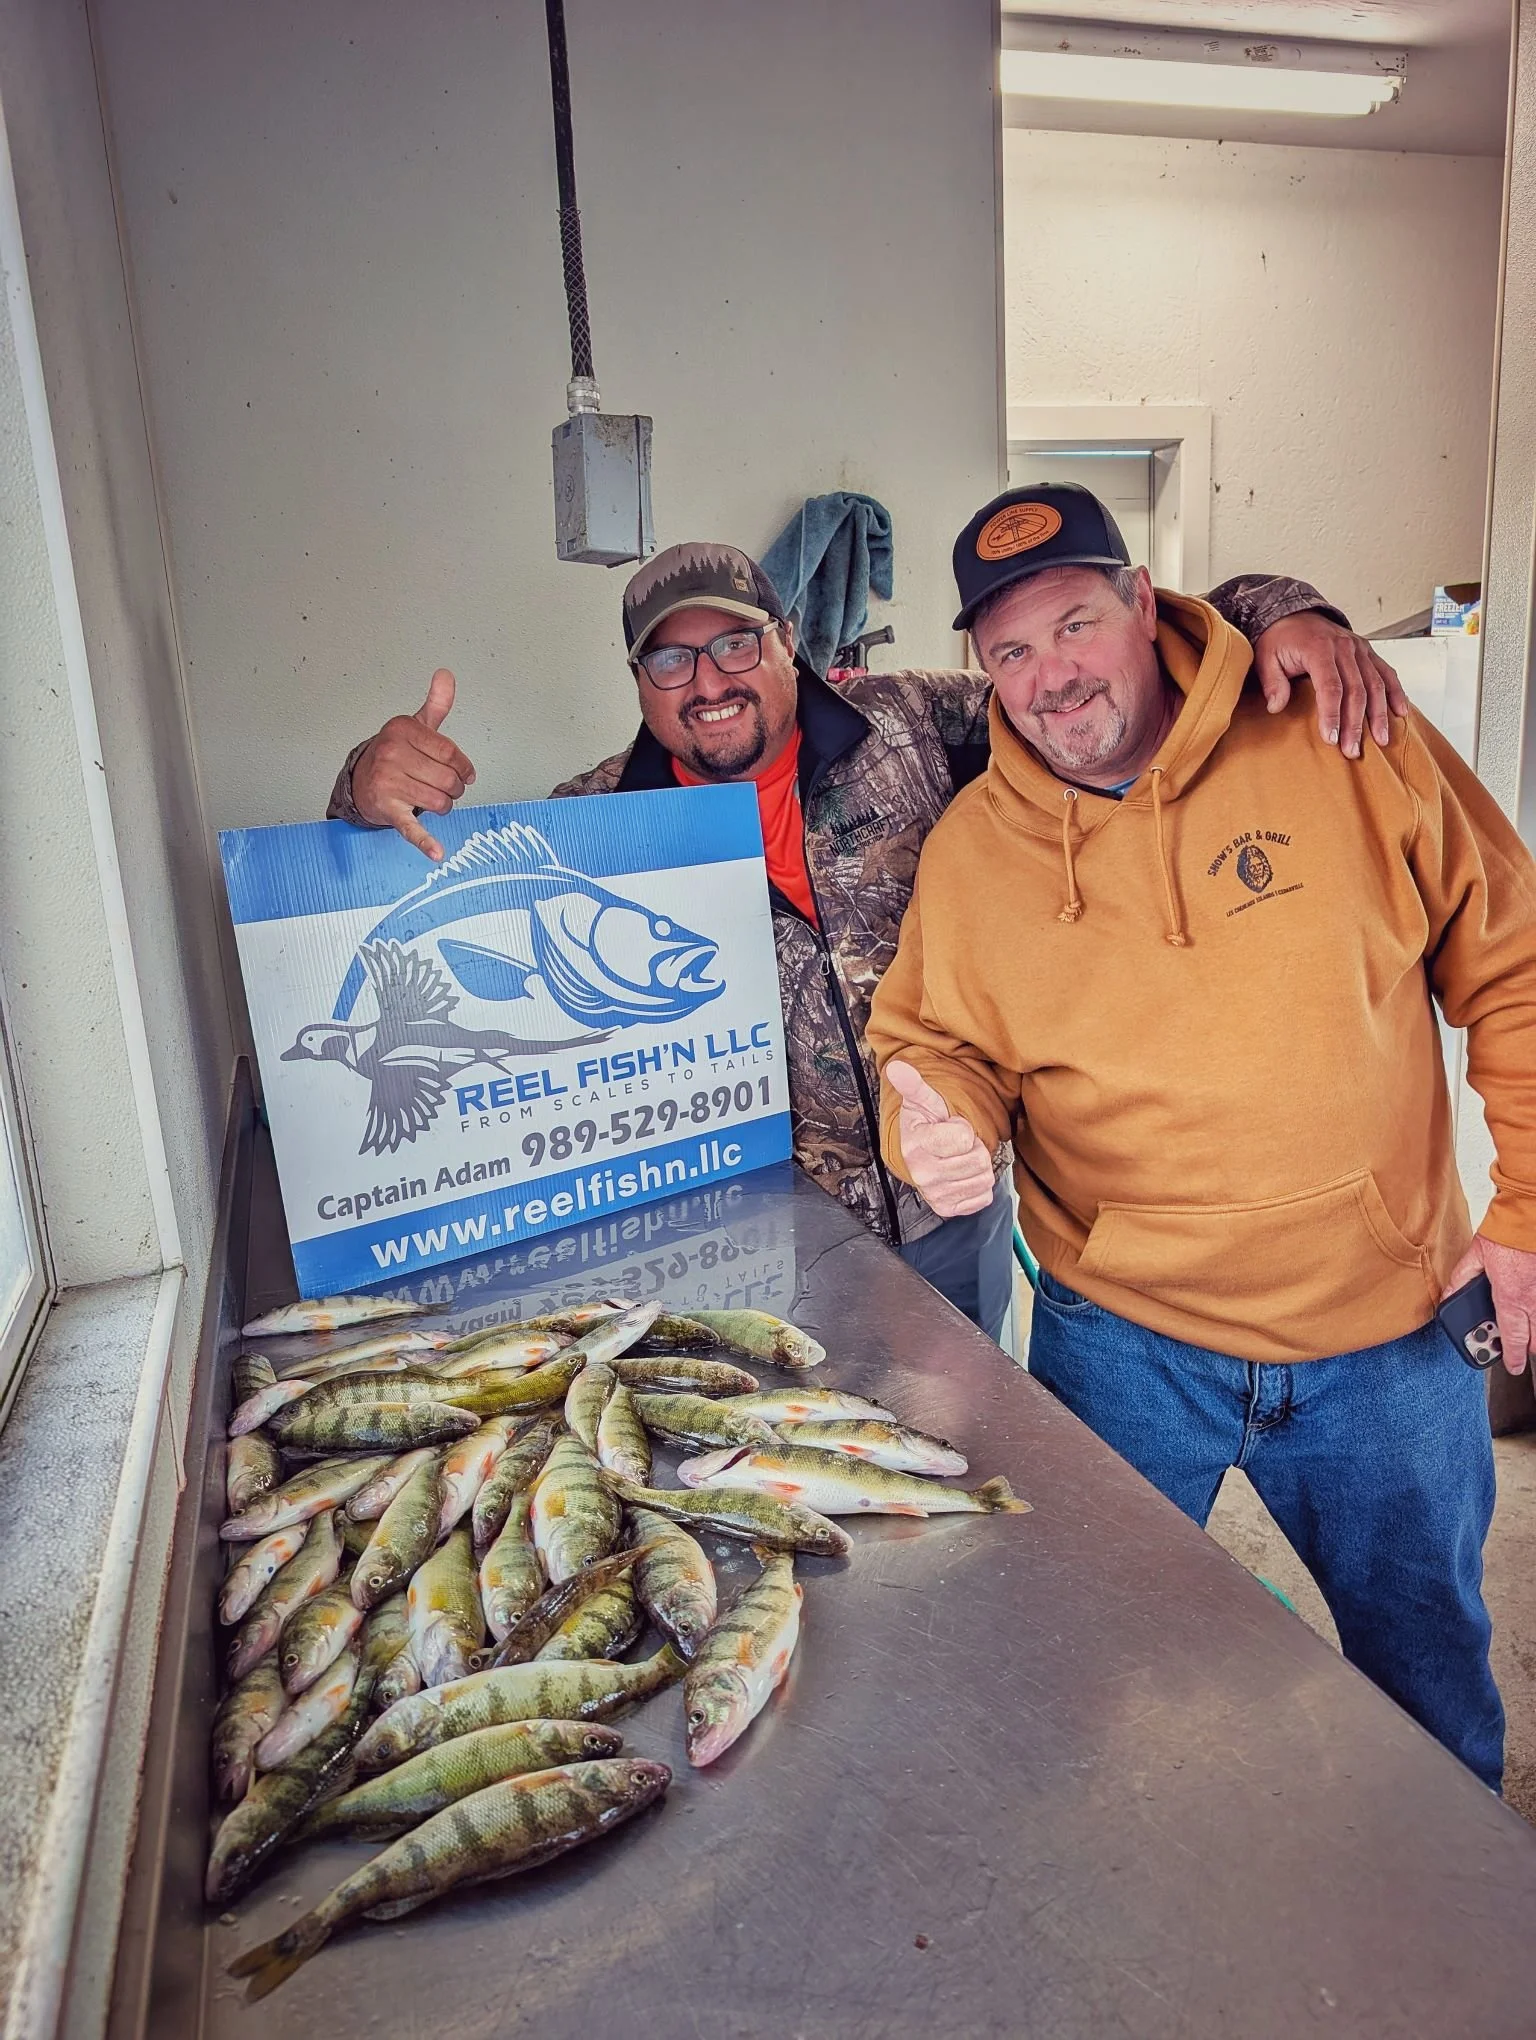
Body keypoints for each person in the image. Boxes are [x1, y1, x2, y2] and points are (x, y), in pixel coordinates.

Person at [867, 481, 1536, 1789]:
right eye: (1011, 651)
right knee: (1068, 1673)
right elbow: (941, 1046)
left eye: (1075, 624)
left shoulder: (1343, 732)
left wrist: (1525, 1211)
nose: (1051, 677)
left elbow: (1511, 963)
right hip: (1121, 1344)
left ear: (1142, 600)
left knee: (1431, 1686)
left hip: (1385, 1336)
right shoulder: (974, 853)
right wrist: (930, 1117)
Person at [329, 536, 1404, 1343]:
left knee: (969, 1454)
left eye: (736, 643)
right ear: (640, 686)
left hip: (951, 1202)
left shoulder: (911, 721)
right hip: (755, 1245)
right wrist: (362, 794)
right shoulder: (601, 819)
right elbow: (415, 903)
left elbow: (1084, 682)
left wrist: (1278, 611)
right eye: (670, 662)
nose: (709, 681)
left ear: (787, 640)